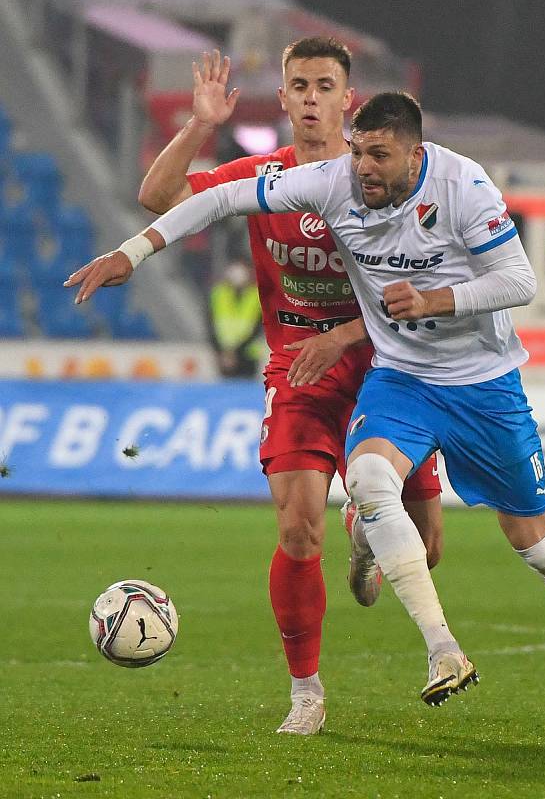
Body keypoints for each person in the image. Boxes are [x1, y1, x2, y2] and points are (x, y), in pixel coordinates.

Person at [65, 91, 545, 733]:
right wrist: (133, 252)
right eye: (358, 151)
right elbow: (221, 198)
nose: (363, 167)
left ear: (415, 155)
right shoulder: (333, 181)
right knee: (366, 479)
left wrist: (434, 300)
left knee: (535, 544)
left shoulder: (463, 185)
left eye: (379, 156)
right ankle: (442, 649)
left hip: (482, 383)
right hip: (401, 378)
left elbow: (519, 280)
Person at [134, 40, 444, 735]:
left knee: (425, 550)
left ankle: (366, 530)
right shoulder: (260, 176)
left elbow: (421, 279)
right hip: (298, 371)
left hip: (388, 369)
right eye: (297, 84)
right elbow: (157, 199)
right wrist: (199, 126)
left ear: (347, 100)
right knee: (296, 529)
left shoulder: (377, 179)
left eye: (323, 85)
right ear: (281, 99)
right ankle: (305, 692)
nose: (309, 96)